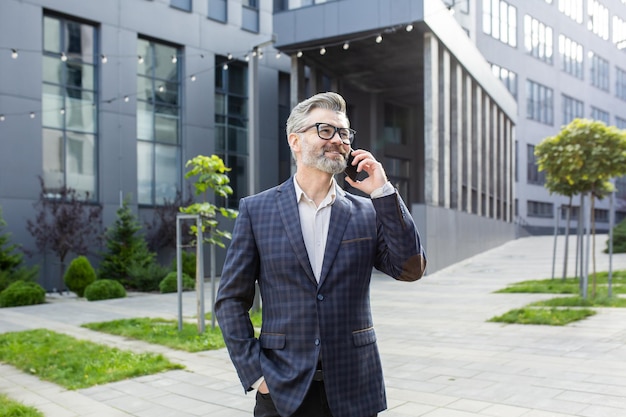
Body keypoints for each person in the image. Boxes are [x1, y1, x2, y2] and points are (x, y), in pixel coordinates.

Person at [215, 92, 426, 417]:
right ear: (295, 140)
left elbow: (411, 268)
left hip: (355, 387)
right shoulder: (256, 210)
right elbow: (230, 299)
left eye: (344, 133)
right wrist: (256, 373)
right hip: (281, 390)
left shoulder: (367, 211)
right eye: (325, 130)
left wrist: (383, 192)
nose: (338, 140)